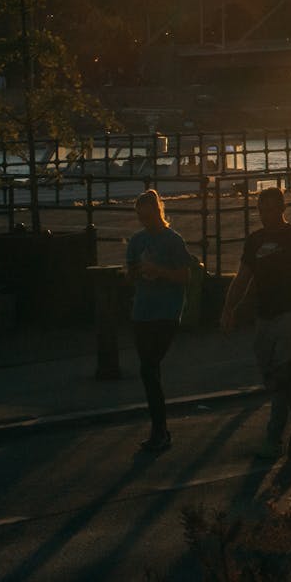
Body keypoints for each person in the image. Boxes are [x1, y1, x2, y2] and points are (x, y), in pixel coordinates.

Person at [220, 186, 291, 459]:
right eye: (260, 209)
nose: (264, 215)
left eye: (270, 209)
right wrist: (228, 308)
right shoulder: (254, 241)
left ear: (282, 209)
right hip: (264, 315)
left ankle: (273, 438)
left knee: (281, 375)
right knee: (271, 371)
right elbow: (243, 278)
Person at [126, 189, 190, 452]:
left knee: (150, 366)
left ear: (158, 212)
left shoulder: (173, 241)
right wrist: (135, 272)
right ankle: (159, 429)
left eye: (149, 217)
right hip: (142, 311)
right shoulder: (136, 241)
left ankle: (159, 429)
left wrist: (158, 271)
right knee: (148, 370)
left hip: (166, 312)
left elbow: (185, 277)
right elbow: (129, 275)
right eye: (141, 218)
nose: (145, 222)